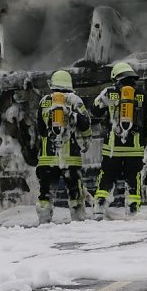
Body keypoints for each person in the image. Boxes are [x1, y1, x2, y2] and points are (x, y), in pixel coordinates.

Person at [90, 61, 147, 220]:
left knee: (107, 176)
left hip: (112, 148)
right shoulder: (143, 94)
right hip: (134, 148)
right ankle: (132, 211)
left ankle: (99, 208)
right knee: (133, 178)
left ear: (116, 77)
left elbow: (94, 111)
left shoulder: (108, 92)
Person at [35, 70, 92, 224]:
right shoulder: (74, 100)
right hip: (70, 159)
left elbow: (40, 130)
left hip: (47, 159)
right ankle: (78, 222)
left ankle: (44, 223)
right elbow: (85, 124)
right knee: (75, 193)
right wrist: (87, 139)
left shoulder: (44, 102)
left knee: (45, 194)